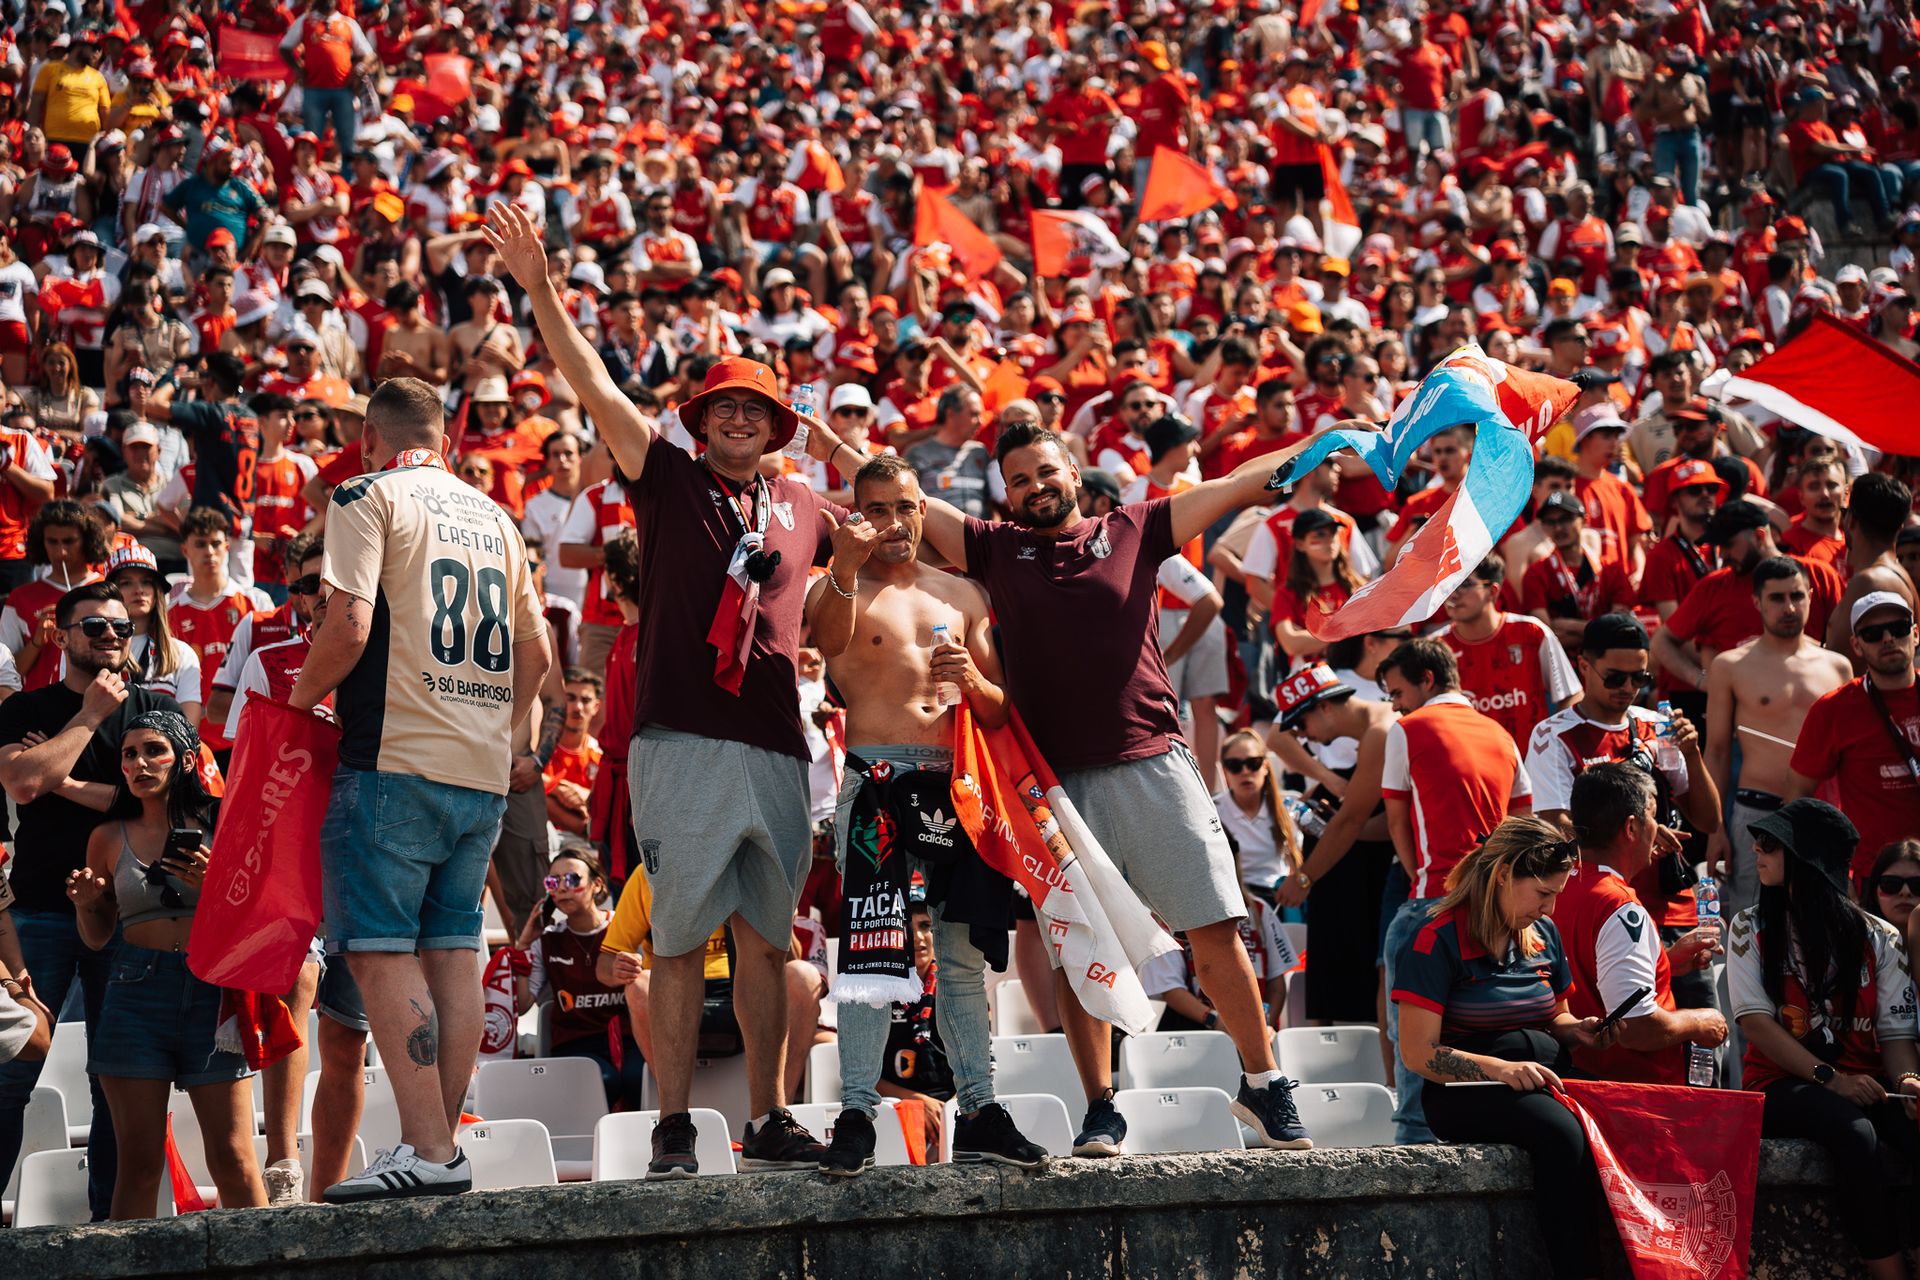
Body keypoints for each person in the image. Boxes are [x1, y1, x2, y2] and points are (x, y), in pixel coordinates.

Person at [805, 410, 1315, 1155]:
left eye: (1046, 472)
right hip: (1036, 782)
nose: (1036, 486)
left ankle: (1264, 1084)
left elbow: (1237, 483)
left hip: (1137, 760)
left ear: (1073, 473)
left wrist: (1324, 439)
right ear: (1003, 494)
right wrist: (829, 450)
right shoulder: (992, 549)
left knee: (1209, 928)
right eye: (1018, 480)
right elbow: (888, 502)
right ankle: (1090, 1106)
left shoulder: (1131, 529)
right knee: (1057, 942)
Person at [488, 203, 836, 1177]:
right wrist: (541, 289)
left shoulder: (805, 501)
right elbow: (592, 383)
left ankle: (769, 1115)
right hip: (681, 735)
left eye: (754, 407)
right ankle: (675, 1122)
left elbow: (867, 565)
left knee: (770, 943)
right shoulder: (666, 475)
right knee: (677, 940)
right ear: (702, 419)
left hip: (775, 739)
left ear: (777, 425)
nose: (737, 417)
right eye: (723, 403)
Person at [288, 376, 550, 1203]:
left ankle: (430, 1148)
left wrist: (295, 704)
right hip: (478, 775)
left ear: (371, 435)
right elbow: (539, 655)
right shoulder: (496, 517)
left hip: (392, 759)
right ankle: (435, 1143)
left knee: (377, 954)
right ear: (443, 438)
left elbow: (350, 623)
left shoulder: (364, 493)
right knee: (450, 955)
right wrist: (506, 739)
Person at [803, 454, 1045, 1174]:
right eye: (876, 509)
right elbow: (828, 646)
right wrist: (846, 566)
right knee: (873, 961)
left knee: (963, 960)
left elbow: (1002, 713)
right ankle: (855, 1111)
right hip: (877, 779)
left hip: (958, 783)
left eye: (905, 507)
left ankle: (980, 1108)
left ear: (921, 509)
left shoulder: (964, 593)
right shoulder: (837, 587)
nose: (894, 523)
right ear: (856, 516)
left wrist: (972, 680)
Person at [0, 581, 186, 1220]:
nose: (111, 638)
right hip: (39, 915)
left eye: (121, 629)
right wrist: (88, 719)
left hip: (131, 916)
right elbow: (23, 782)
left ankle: (111, 1226)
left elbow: (144, 802)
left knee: (118, 1081)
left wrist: (64, 778)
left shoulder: (156, 711)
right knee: (10, 1071)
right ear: (60, 636)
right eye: (95, 628)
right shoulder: (28, 705)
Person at [1390, 817, 1616, 1280]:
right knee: (1565, 1135)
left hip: (1540, 1074)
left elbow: (1556, 1017)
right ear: (1501, 876)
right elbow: (1418, 1055)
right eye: (1542, 894)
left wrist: (1580, 1030)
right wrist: (1499, 1069)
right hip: (1464, 1090)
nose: (1550, 909)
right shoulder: (1435, 939)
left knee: (1626, 1113)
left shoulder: (1542, 936)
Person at [65, 710, 267, 1219]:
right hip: (134, 991)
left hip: (212, 990)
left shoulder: (226, 820)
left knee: (236, 1160)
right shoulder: (107, 838)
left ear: (184, 759)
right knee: (137, 1166)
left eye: (154, 750)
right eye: (129, 754)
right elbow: (97, 938)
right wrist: (87, 903)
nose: (139, 763)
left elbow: (262, 917)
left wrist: (215, 888)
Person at [1728, 798, 1920, 1280]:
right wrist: (1831, 1079)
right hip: (1779, 1084)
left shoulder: (1880, 937)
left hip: (1865, 1082)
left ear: (1806, 857)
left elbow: (1896, 1036)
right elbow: (1756, 1025)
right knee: (1855, 1133)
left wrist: (1911, 1081)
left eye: (1770, 842)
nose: (1756, 847)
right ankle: (1891, 1273)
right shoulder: (1748, 926)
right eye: (1758, 839)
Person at [1526, 614, 1724, 1011]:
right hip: (1607, 913)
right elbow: (1559, 827)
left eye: (1640, 679)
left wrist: (1692, 753)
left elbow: (1708, 821)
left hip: (1675, 910)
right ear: (1583, 665)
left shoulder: (1659, 726)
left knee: (1703, 1047)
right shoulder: (1553, 735)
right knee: (1633, 1039)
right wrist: (1640, 833)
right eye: (1615, 678)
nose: (1628, 689)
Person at [1703, 558, 1853, 923]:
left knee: (1827, 921)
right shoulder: (1731, 666)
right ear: (1757, 601)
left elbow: (1849, 755)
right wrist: (1715, 828)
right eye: (1776, 598)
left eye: (1797, 596)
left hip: (1822, 813)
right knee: (1751, 923)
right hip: (1757, 810)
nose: (1788, 607)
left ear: (1811, 597)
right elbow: (1718, 751)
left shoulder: (1837, 667)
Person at [1558, 763, 1729, 1084]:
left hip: (1585, 1082)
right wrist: (1701, 1021)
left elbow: (1593, 972)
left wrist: (1668, 961)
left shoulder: (1560, 885)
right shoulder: (1619, 906)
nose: (1658, 827)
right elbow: (1638, 1029)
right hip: (1635, 1095)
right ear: (1632, 828)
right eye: (1653, 816)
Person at [1787, 593, 1920, 886]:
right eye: (1873, 634)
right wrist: (1824, 869)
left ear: (1915, 632)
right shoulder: (1833, 709)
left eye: (1898, 628)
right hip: (1874, 879)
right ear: (1856, 646)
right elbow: (1798, 796)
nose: (1888, 639)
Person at [510, 848, 641, 1112]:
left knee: (638, 1079)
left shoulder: (624, 928)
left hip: (631, 1039)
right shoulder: (547, 940)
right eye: (553, 882)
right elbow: (522, 1005)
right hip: (575, 1044)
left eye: (571, 879)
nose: (561, 888)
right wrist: (523, 944)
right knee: (603, 1082)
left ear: (597, 885)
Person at [1435, 556, 1579, 747]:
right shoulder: (1437, 647)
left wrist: (1555, 749)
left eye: (1465, 584)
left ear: (1492, 591)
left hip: (1534, 766)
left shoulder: (1531, 633)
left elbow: (1570, 695)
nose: (1453, 594)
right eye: (1448, 585)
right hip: (1474, 768)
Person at [1213, 730, 1304, 907]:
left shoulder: (1287, 809)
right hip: (1231, 900)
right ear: (1225, 770)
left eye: (1253, 763)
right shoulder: (1212, 811)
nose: (1245, 771)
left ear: (1266, 766)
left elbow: (1298, 868)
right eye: (1234, 765)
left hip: (1278, 900)